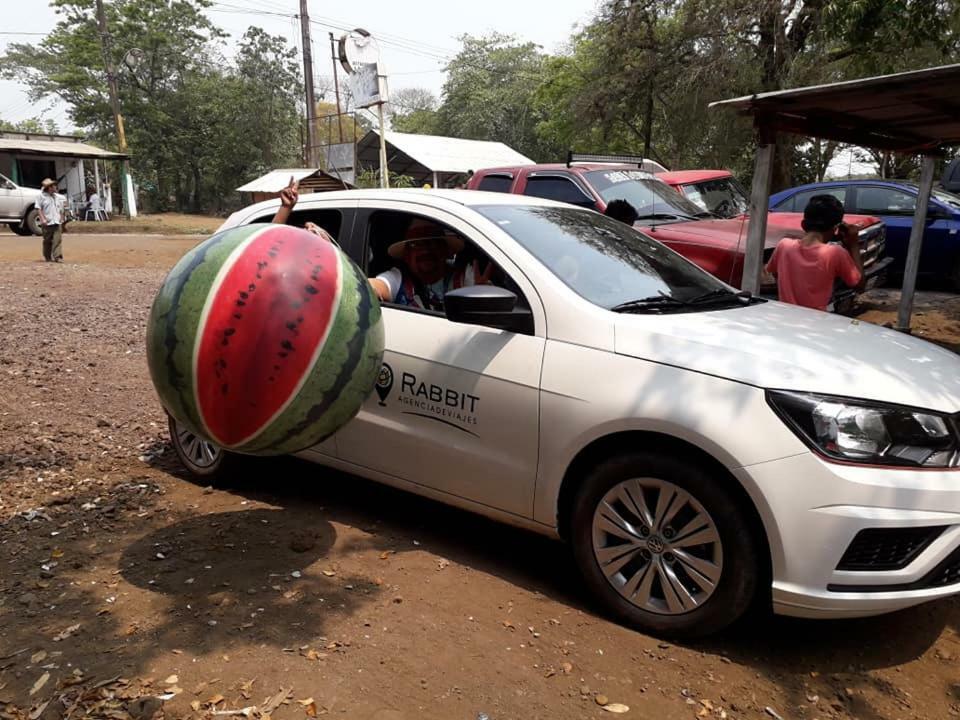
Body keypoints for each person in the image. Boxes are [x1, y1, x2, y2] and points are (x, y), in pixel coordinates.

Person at [270, 176, 492, 309]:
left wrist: (486, 292)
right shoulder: (397, 280)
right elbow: (365, 288)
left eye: (432, 244)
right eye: (416, 245)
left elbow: (495, 302)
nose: (425, 251)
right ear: (406, 254)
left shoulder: (467, 278)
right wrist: (327, 251)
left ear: (446, 250)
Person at [764, 194, 864, 311]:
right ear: (836, 228)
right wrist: (853, 245)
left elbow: (775, 273)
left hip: (786, 319)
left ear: (803, 224)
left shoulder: (784, 245)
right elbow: (859, 285)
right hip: (815, 322)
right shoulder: (835, 253)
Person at [36, 178, 64, 262]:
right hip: (47, 222)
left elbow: (60, 208)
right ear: (49, 187)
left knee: (57, 239)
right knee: (47, 240)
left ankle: (57, 256)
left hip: (56, 221)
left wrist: (61, 217)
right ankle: (47, 256)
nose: (56, 187)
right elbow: (38, 208)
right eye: (54, 186)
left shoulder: (56, 197)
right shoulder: (41, 196)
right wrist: (43, 219)